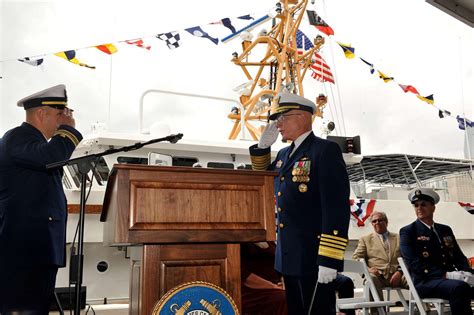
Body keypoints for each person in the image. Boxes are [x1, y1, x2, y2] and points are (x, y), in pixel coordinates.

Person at [249, 92, 350, 315]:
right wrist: (262, 149)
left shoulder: (324, 150)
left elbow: (336, 208)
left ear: (302, 117)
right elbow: (262, 182)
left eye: (283, 118)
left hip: (314, 255)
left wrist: (329, 259)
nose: (278, 125)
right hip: (289, 255)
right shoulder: (284, 154)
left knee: (317, 311)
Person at [0, 84, 82, 314]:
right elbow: (52, 157)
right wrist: (69, 131)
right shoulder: (16, 138)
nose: (64, 119)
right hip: (23, 249)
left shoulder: (32, 143)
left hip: (38, 248)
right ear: (42, 113)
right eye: (60, 114)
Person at [400, 187, 474, 315]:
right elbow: (413, 263)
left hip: (449, 279)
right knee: (459, 287)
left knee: (464, 284)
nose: (419, 208)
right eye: (416, 205)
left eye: (424, 204)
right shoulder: (408, 232)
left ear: (433, 207)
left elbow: (458, 255)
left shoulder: (445, 230)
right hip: (425, 281)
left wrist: (467, 273)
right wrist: (446, 275)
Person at [352, 211, 407, 311]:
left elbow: (407, 257)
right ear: (372, 224)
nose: (377, 222)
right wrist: (368, 270)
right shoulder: (365, 240)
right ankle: (378, 313)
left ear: (386, 222)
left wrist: (400, 272)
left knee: (415, 277)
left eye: (380, 220)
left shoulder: (399, 238)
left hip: (398, 276)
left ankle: (424, 308)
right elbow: (356, 258)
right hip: (377, 276)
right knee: (371, 279)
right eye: (374, 221)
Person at [241, 242, 287, 315]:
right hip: (252, 291)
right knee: (284, 298)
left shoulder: (269, 240)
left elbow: (280, 266)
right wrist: (273, 287)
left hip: (274, 287)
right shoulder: (242, 243)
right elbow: (244, 275)